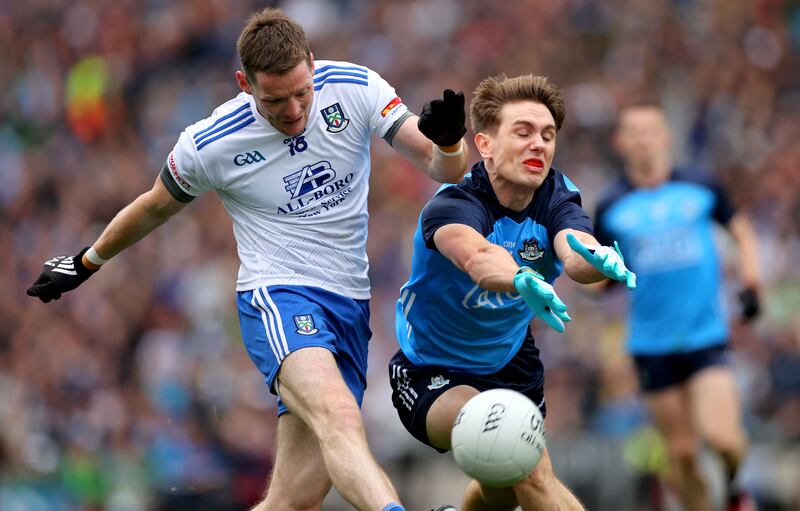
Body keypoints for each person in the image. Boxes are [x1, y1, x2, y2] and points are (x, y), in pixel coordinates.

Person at [26, 7, 469, 511]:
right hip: (279, 295)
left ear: (311, 63)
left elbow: (442, 168)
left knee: (293, 500)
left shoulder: (356, 87)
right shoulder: (210, 142)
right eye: (276, 100)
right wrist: (87, 261)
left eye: (302, 93)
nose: (295, 111)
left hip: (350, 303)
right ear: (244, 84)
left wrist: (451, 140)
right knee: (340, 416)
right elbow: (153, 206)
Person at [387, 73, 637, 511]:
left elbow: (574, 249)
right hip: (432, 370)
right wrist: (522, 277)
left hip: (512, 364)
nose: (538, 144)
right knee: (529, 466)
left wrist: (598, 260)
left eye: (547, 135)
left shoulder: (558, 194)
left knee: (500, 488)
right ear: (484, 144)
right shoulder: (452, 205)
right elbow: (479, 258)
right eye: (522, 132)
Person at [592, 99, 762, 511]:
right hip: (651, 345)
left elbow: (740, 229)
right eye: (635, 133)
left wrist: (751, 279)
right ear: (621, 142)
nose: (644, 141)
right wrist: (590, 278)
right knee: (682, 454)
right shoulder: (612, 206)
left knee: (722, 438)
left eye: (651, 131)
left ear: (666, 136)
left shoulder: (700, 186)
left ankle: (736, 488)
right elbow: (597, 276)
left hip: (704, 335)